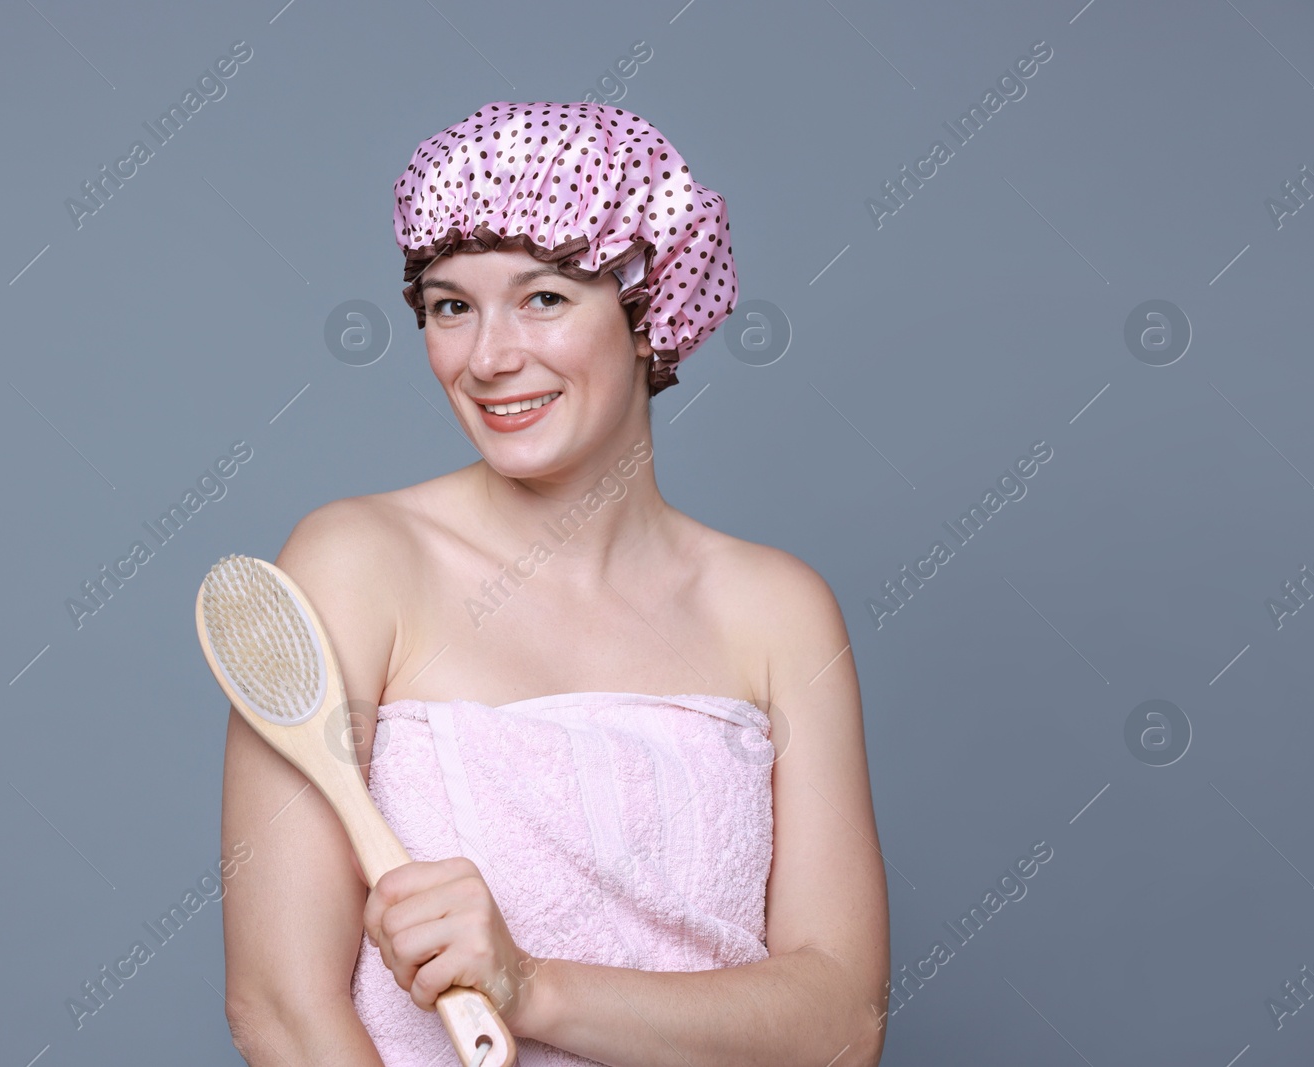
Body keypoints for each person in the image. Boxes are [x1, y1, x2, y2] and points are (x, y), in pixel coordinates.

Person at [220, 101, 889, 1066]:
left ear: (647, 311)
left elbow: (839, 1027)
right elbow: (282, 1009)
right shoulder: (354, 565)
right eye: (452, 305)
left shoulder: (778, 611)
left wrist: (531, 988)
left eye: (544, 298)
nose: (488, 358)